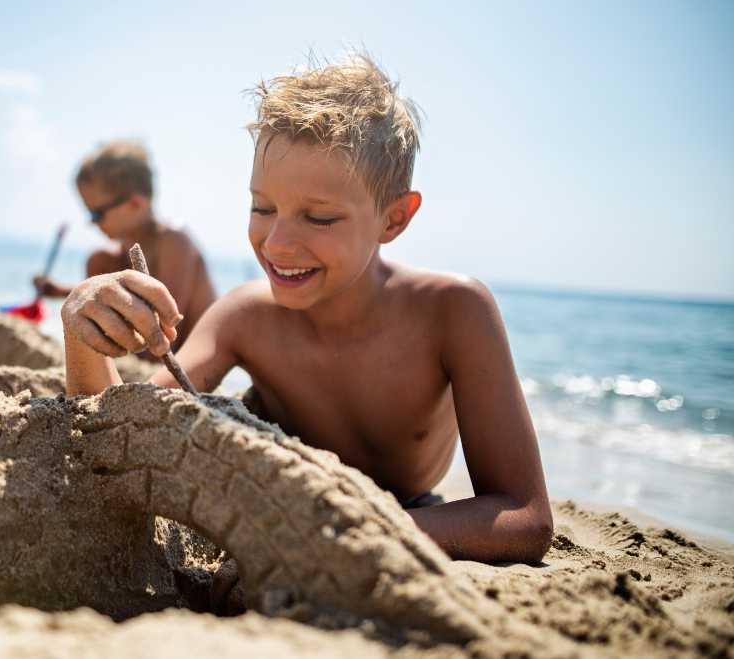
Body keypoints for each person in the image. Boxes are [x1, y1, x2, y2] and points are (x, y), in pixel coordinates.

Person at [59, 54, 554, 568]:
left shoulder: (453, 312)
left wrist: (341, 531)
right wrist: (82, 328)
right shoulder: (247, 317)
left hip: (407, 512)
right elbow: (118, 427)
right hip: (278, 501)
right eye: (262, 208)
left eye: (318, 218)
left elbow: (525, 516)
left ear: (394, 218)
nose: (276, 243)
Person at [33, 141, 216, 348]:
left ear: (134, 204)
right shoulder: (121, 250)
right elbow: (120, 298)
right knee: (99, 263)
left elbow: (170, 318)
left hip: (188, 348)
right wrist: (63, 292)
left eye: (96, 214)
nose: (92, 223)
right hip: (146, 345)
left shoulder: (174, 241)